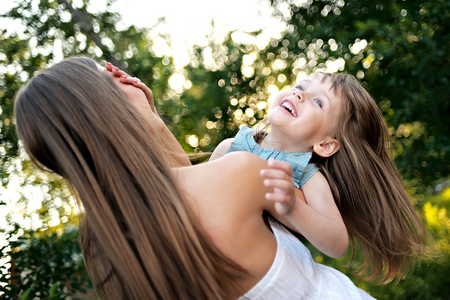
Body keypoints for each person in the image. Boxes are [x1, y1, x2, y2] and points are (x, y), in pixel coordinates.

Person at [12, 56, 408, 299]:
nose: (123, 75)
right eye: (109, 76)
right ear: (105, 106)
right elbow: (199, 185)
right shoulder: (245, 171)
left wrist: (146, 120)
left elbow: (182, 186)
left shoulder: (104, 241)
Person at [210, 72, 429, 283]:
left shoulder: (308, 178)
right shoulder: (230, 147)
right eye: (300, 87)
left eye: (318, 102)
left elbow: (337, 244)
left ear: (325, 144)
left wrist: (294, 207)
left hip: (250, 274)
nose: (299, 94)